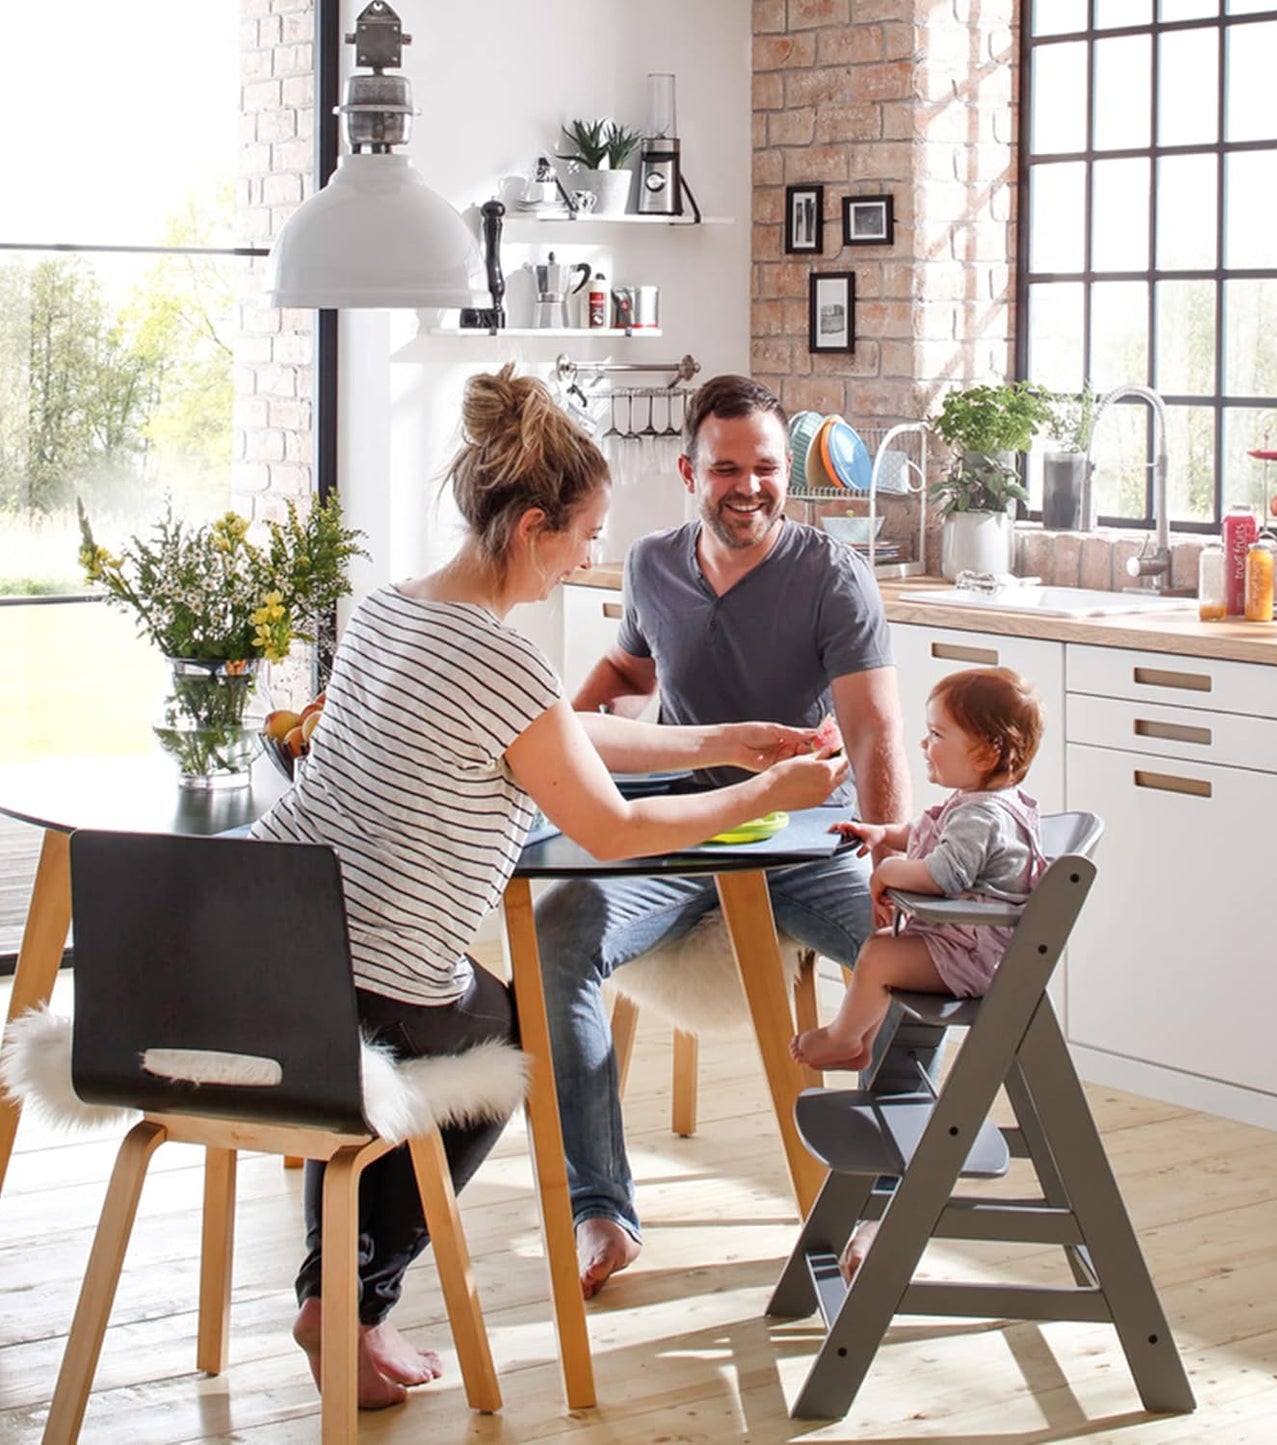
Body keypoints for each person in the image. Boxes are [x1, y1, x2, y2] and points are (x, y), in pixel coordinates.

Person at [249, 365, 847, 1410]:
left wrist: (712, 738)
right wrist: (763, 784)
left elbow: (555, 737)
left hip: (273, 953)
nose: (585, 561)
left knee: (436, 1049)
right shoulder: (503, 658)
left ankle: (341, 1301)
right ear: (531, 525)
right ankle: (349, 1302)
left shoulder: (386, 612)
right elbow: (611, 828)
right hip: (374, 981)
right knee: (508, 1053)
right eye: (580, 538)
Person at [538, 373, 911, 1297]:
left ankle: (872, 1203)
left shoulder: (830, 576)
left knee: (914, 957)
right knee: (560, 937)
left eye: (767, 468)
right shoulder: (651, 563)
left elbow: (875, 732)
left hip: (804, 835)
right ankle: (602, 1209)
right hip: (680, 829)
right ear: (687, 471)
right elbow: (627, 668)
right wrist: (560, 729)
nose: (748, 486)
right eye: (726, 469)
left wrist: (889, 852)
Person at [792, 666, 1048, 1072]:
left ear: (986, 752)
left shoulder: (981, 816)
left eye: (938, 735)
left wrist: (887, 871)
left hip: (969, 958)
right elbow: (929, 834)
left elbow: (943, 875)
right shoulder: (981, 805)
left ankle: (844, 1038)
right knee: (881, 948)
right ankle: (864, 1042)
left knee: (878, 955)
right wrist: (883, 834)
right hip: (965, 947)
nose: (925, 743)